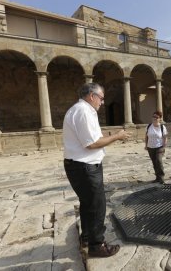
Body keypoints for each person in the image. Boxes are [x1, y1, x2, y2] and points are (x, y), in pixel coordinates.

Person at [63, 82, 131, 258]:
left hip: (81, 165)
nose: (102, 102)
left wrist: (112, 136)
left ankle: (87, 237)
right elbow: (91, 144)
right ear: (91, 96)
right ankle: (96, 245)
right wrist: (117, 136)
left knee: (88, 204)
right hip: (84, 167)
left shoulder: (82, 110)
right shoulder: (83, 111)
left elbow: (95, 138)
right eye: (101, 98)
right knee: (97, 206)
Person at [145, 110, 168, 184]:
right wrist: (146, 145)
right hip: (150, 147)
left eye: (156, 117)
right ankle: (157, 177)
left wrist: (164, 146)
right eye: (153, 116)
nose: (154, 118)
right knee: (154, 163)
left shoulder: (162, 127)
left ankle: (161, 177)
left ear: (160, 118)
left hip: (159, 147)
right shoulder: (148, 126)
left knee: (159, 161)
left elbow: (165, 137)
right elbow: (146, 136)